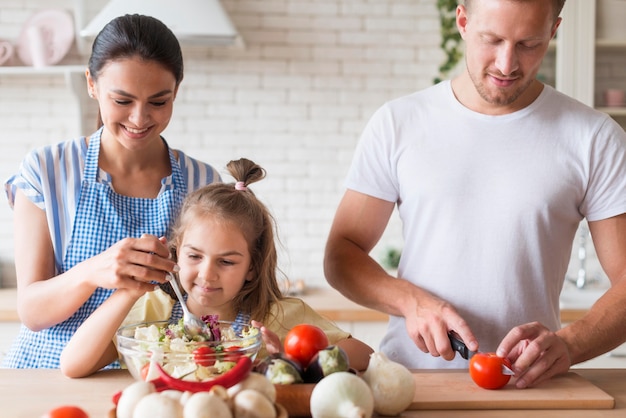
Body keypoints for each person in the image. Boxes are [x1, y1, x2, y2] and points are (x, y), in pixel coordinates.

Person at [324, 0, 626, 390]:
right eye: (492, 39)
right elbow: (341, 254)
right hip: (407, 386)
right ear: (463, 21)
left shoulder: (594, 137)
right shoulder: (399, 123)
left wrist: (570, 343)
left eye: (529, 44)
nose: (506, 64)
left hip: (528, 390)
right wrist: (410, 302)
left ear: (553, 32)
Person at [2, 14, 220, 369]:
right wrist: (95, 270)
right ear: (92, 84)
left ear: (176, 91)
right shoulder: (47, 170)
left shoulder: (201, 182)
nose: (139, 118)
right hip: (50, 373)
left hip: (158, 376)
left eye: (158, 101)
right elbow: (31, 311)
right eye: (122, 101)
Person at [60, 158, 373, 377]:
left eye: (226, 261)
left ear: (252, 266)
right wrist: (128, 293)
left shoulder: (278, 315)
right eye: (195, 257)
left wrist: (291, 360)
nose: (207, 274)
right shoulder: (153, 310)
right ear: (176, 252)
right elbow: (73, 365)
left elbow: (364, 355)